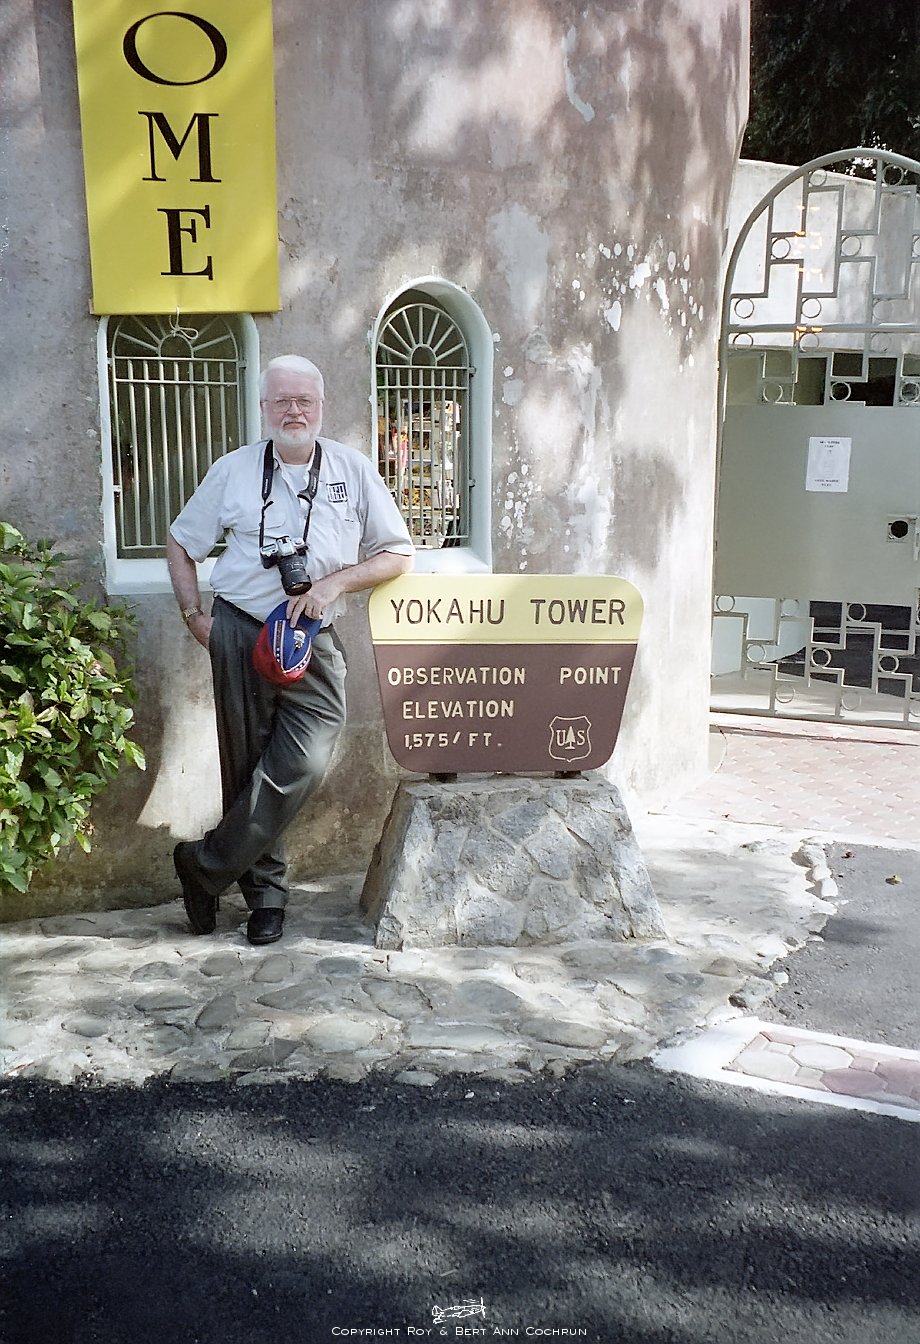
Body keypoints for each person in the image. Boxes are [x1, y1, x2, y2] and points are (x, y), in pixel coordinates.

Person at [166, 355, 414, 945]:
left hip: (312, 633)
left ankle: (204, 865)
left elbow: (398, 554)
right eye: (281, 401)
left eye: (304, 400)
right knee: (246, 763)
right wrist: (194, 616)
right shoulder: (232, 470)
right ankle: (265, 898)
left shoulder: (352, 469)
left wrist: (333, 584)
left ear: (321, 406)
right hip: (240, 628)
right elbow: (180, 542)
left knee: (303, 761)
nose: (293, 411)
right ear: (264, 408)